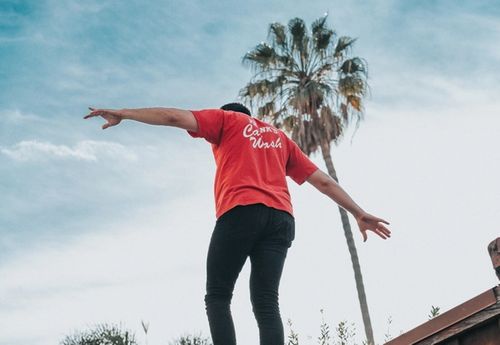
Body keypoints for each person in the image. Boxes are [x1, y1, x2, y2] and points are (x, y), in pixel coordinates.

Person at [84, 103, 391, 345]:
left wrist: (124, 113)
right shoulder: (279, 138)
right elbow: (322, 181)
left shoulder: (226, 121)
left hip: (241, 211)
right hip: (281, 219)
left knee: (217, 295)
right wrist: (358, 212)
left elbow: (173, 117)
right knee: (266, 301)